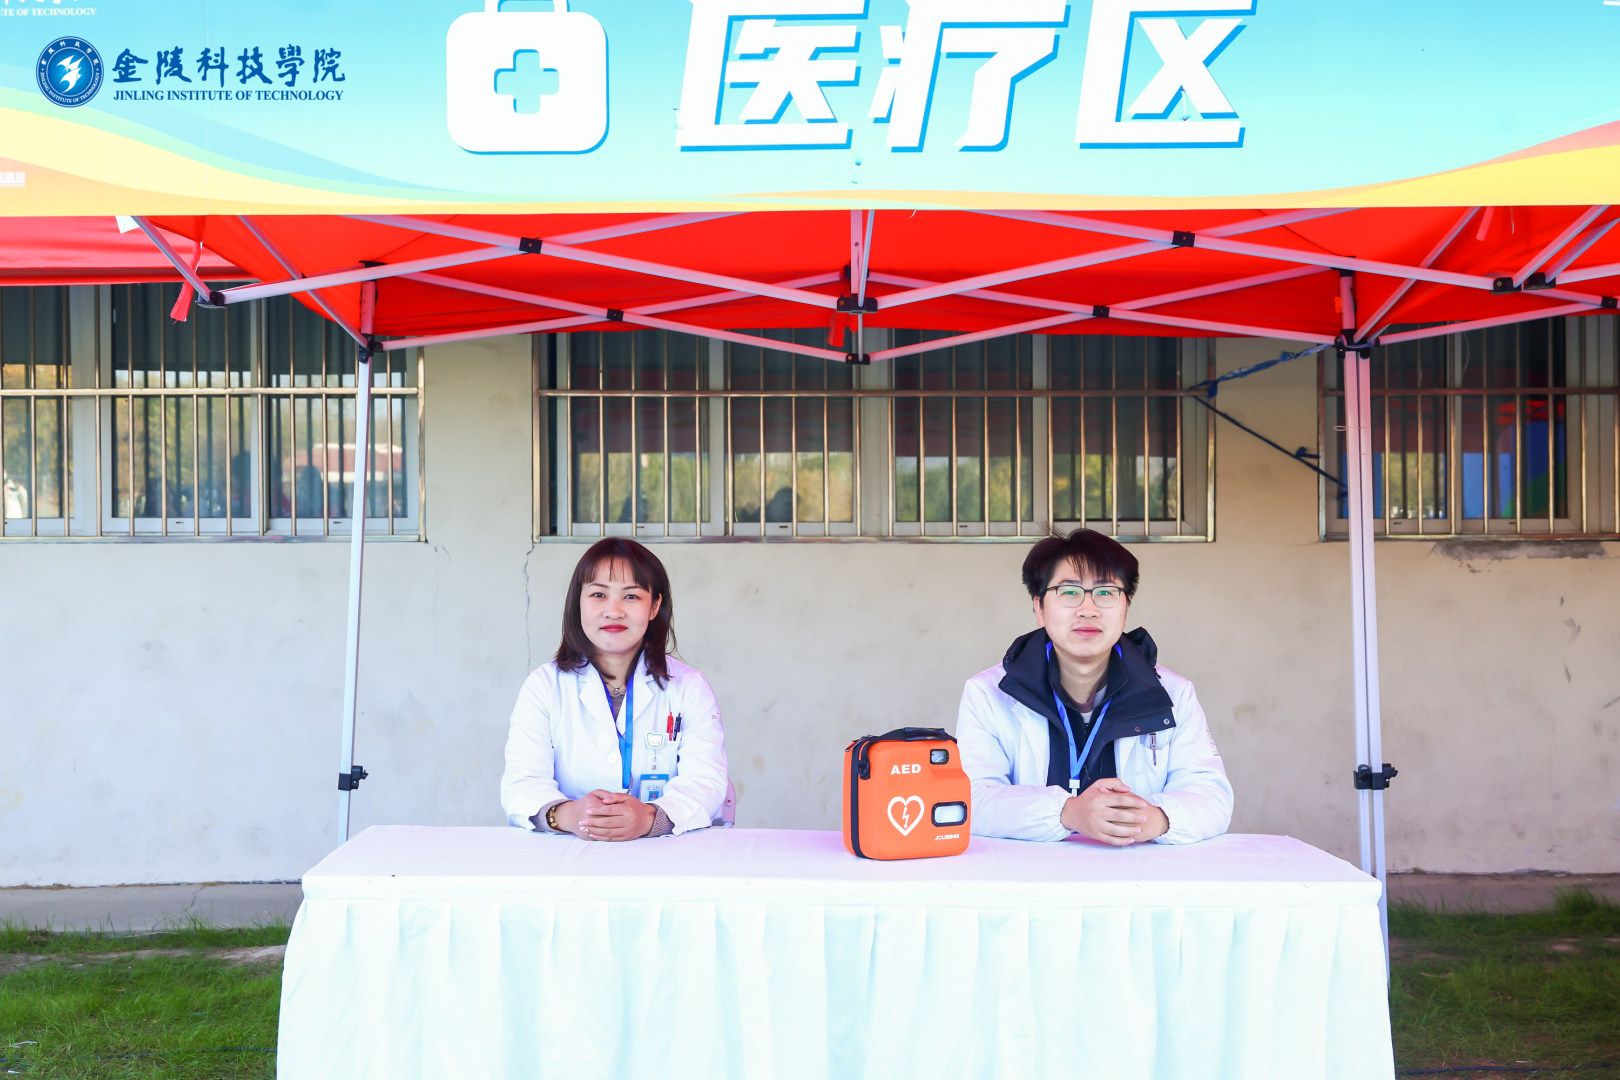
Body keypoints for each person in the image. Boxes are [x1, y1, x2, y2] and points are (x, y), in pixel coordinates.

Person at [956, 528, 1232, 844]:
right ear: (1039, 608)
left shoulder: (1173, 693)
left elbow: (1211, 794)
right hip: (1030, 871)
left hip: (1138, 870)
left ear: (1126, 606)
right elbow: (971, 796)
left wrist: (1152, 818)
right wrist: (1068, 813)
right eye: (1069, 592)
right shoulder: (989, 693)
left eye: (1105, 592)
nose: (1088, 609)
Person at [501, 538, 730, 840]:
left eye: (631, 596)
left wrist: (649, 818)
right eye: (598, 594)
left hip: (666, 854)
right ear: (578, 603)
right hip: (567, 854)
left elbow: (706, 781)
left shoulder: (689, 687)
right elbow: (521, 784)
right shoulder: (544, 686)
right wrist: (571, 815)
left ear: (654, 606)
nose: (614, 611)